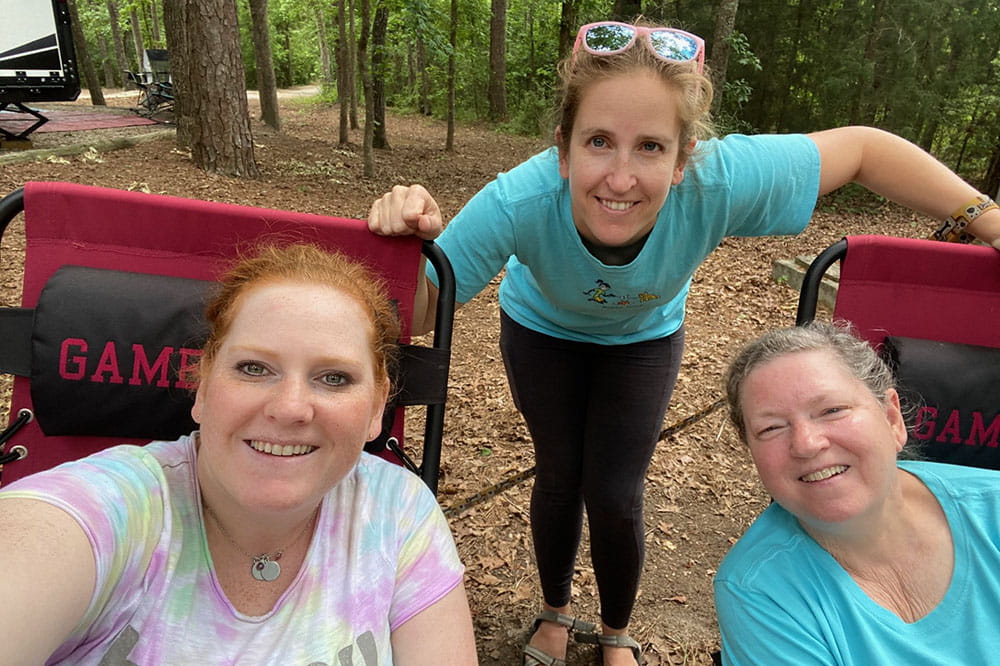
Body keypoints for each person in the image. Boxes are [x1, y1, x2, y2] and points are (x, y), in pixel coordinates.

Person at [367, 18, 1000, 666]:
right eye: (599, 142)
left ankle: (615, 630)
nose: (620, 175)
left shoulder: (719, 180)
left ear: (682, 159)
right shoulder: (520, 199)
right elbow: (421, 309)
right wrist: (404, 243)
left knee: (615, 492)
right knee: (559, 476)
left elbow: (865, 150)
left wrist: (989, 218)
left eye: (649, 147)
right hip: (542, 332)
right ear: (563, 150)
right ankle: (555, 611)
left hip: (643, 339)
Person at [0, 243, 478, 665]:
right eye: (254, 368)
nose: (290, 408)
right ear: (203, 387)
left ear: (377, 406)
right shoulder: (112, 512)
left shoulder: (396, 511)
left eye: (334, 377)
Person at [715, 321, 1000, 663]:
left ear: (893, 418)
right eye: (771, 427)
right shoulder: (761, 592)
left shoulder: (993, 510)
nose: (806, 444)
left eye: (832, 410)